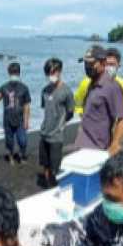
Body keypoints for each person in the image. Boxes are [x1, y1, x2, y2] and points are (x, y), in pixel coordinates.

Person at [75, 45, 123, 155]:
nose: (87, 67)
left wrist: (115, 144)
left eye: (91, 63)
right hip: (83, 143)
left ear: (103, 63)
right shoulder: (92, 83)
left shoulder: (111, 86)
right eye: (85, 63)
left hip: (98, 148)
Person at [0, 62, 32, 164]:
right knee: (9, 141)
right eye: (13, 72)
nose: (14, 74)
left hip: (20, 120)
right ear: (9, 73)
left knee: (23, 141)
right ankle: (11, 157)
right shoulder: (4, 87)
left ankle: (22, 156)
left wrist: (26, 121)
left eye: (15, 72)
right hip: (7, 120)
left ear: (19, 73)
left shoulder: (24, 88)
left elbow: (27, 106)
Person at [39, 58, 75, 188]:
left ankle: (55, 187)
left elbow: (71, 112)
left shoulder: (67, 91)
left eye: (53, 72)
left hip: (57, 135)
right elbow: (46, 109)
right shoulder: (44, 91)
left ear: (60, 71)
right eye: (48, 73)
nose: (51, 76)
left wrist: (61, 124)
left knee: (55, 166)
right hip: (44, 133)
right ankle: (49, 186)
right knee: (45, 164)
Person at [74, 47, 123, 116]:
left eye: (112, 64)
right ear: (102, 63)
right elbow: (77, 105)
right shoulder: (86, 82)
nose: (108, 67)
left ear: (119, 66)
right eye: (106, 64)